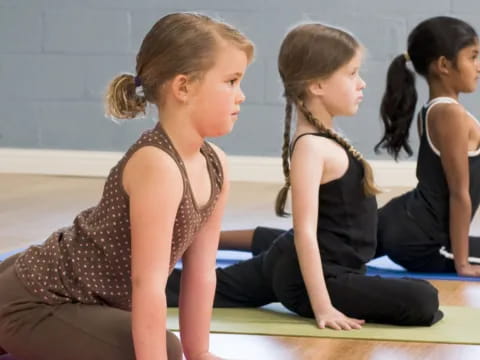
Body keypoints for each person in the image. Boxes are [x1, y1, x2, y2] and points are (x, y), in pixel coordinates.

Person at [0, 12, 253, 360]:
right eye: (231, 81)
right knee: (160, 349)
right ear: (183, 87)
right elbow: (147, 285)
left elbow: (202, 273)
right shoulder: (157, 164)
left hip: (78, 296)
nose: (241, 96)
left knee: (172, 349)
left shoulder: (216, 164)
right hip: (35, 301)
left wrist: (200, 354)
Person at [167, 22, 443, 330]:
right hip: (309, 277)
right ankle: (129, 273)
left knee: (193, 288)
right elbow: (305, 234)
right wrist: (322, 307)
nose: (361, 83)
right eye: (351, 74)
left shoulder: (324, 136)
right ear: (317, 85)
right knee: (423, 299)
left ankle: (140, 272)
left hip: (301, 262)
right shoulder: (311, 147)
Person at [375, 16, 480, 276]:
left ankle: (255, 240)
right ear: (444, 65)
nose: (478, 66)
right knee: (320, 245)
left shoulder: (439, 109)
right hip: (423, 240)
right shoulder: (450, 114)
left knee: (322, 243)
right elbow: (459, 194)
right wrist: (462, 263)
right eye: (473, 57)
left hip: (406, 220)